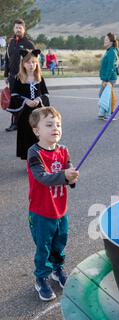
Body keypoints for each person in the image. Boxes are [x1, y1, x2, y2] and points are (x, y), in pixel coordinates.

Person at [27, 106, 79, 301]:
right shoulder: (34, 153)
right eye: (49, 124)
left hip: (60, 210)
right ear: (36, 130)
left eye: (58, 124)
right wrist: (65, 176)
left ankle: (57, 269)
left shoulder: (63, 150)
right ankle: (41, 277)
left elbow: (69, 169)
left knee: (60, 241)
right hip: (41, 212)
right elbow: (42, 178)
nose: (55, 128)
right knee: (44, 246)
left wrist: (72, 177)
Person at [7, 49, 50, 160]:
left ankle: (41, 157)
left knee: (39, 134)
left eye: (34, 62)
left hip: (39, 113)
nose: (31, 65)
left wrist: (38, 100)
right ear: (23, 64)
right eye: (28, 62)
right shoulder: (19, 78)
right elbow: (14, 95)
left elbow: (46, 94)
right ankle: (29, 159)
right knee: (27, 135)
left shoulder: (40, 78)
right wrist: (26, 101)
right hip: (25, 113)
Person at [4, 18, 35, 131]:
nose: (18, 29)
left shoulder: (29, 44)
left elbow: (34, 62)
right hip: (12, 77)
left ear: (24, 29)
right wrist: (6, 75)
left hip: (25, 78)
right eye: (16, 27)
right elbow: (7, 59)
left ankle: (28, 123)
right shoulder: (10, 43)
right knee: (14, 101)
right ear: (14, 28)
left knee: (26, 100)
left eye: (20, 28)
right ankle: (14, 124)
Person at [98, 33, 119, 120]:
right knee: (103, 95)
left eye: (106, 40)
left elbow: (110, 67)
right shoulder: (109, 51)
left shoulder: (112, 52)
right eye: (104, 39)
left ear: (111, 42)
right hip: (106, 78)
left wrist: (106, 80)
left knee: (106, 96)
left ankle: (108, 115)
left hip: (110, 78)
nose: (104, 41)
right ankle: (103, 113)